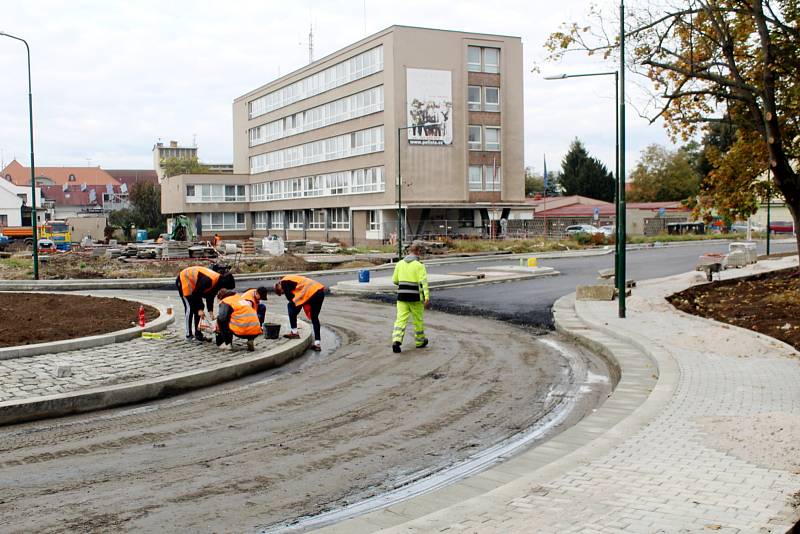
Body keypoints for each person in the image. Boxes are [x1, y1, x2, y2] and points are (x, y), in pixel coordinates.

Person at [176, 265, 236, 342]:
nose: (226, 292)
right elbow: (196, 293)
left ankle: (198, 334)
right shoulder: (209, 280)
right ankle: (189, 335)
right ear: (224, 285)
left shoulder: (217, 283)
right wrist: (199, 309)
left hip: (194, 287)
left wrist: (210, 312)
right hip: (184, 281)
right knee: (190, 308)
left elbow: (210, 297)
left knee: (199, 309)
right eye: (226, 289)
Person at [391, 243, 430, 353]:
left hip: (402, 296)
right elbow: (423, 283)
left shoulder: (399, 264)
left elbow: (395, 280)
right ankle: (420, 341)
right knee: (418, 320)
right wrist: (426, 297)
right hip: (415, 297)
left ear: (409, 252)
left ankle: (396, 341)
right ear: (417, 252)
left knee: (400, 319)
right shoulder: (419, 265)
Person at [274, 274, 325, 351]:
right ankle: (317, 343)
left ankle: (294, 332)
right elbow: (298, 297)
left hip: (311, 293)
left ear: (279, 287)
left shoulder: (284, 282)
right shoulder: (292, 278)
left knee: (290, 306)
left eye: (282, 292)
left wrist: (294, 313)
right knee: (315, 318)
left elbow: (291, 298)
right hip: (319, 291)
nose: (284, 292)